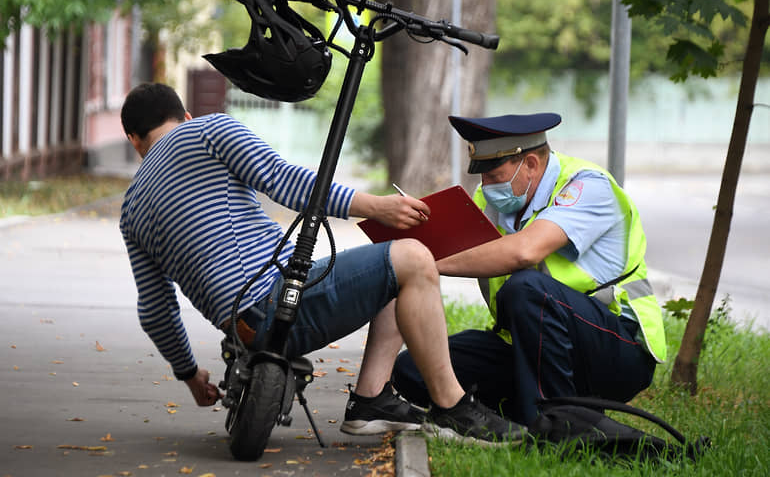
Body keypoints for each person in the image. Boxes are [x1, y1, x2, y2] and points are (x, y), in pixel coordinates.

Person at [118, 82, 522, 444]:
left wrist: (190, 376)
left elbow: (156, 311)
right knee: (414, 256)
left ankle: (372, 402)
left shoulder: (131, 209)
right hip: (277, 302)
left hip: (241, 332)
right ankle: (453, 409)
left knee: (392, 270)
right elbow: (284, 180)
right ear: (185, 116)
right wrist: (376, 207)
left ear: (134, 139)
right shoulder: (207, 130)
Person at [393, 113, 667, 427]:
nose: (487, 185)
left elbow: (526, 251)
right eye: (483, 177)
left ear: (532, 164)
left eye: (495, 175)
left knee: (526, 288)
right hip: (532, 349)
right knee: (414, 368)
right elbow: (455, 249)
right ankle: (512, 416)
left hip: (615, 349)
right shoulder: (490, 203)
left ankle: (556, 425)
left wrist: (423, 261)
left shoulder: (587, 185)